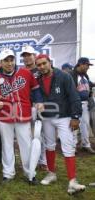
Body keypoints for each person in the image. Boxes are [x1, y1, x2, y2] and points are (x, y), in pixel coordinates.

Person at [0, 48, 44, 185]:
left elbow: (35, 89)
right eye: (6, 60)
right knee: (7, 145)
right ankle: (8, 173)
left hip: (23, 115)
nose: (9, 63)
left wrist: (39, 101)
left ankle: (30, 174)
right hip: (5, 117)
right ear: (1, 62)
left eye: (11, 60)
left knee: (26, 145)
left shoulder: (26, 73)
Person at [35, 54, 86, 195]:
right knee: (49, 145)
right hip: (47, 117)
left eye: (44, 63)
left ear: (50, 62)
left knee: (68, 147)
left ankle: (72, 181)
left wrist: (75, 116)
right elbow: (36, 96)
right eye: (38, 65)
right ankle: (51, 173)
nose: (41, 67)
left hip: (64, 117)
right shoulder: (38, 79)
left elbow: (74, 96)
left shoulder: (64, 76)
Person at [20, 45, 47, 170]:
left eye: (29, 55)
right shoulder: (22, 71)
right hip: (25, 106)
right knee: (26, 135)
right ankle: (30, 159)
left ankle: (43, 161)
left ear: (34, 56)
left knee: (40, 134)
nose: (27, 58)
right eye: (24, 56)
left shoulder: (41, 69)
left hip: (38, 105)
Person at [69, 57, 95, 153]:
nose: (88, 67)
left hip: (85, 104)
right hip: (75, 104)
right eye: (87, 65)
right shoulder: (72, 74)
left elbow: (88, 85)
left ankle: (86, 144)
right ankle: (73, 145)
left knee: (85, 124)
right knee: (74, 125)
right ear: (80, 64)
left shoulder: (85, 76)